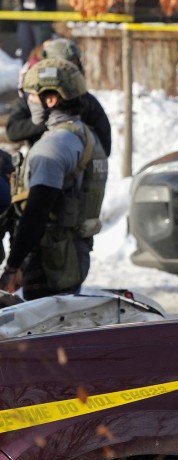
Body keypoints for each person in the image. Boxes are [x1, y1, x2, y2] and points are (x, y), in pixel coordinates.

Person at [1, 60, 107, 300]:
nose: (29, 102)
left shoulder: (53, 146)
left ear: (50, 99)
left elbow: (37, 211)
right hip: (71, 257)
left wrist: (13, 266)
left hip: (47, 264)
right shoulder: (86, 136)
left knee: (41, 324)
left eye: (32, 96)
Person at [7, 37, 112, 156]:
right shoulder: (35, 98)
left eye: (74, 65)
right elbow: (13, 131)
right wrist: (44, 121)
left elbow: (104, 147)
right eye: (66, 67)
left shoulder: (86, 101)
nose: (71, 71)